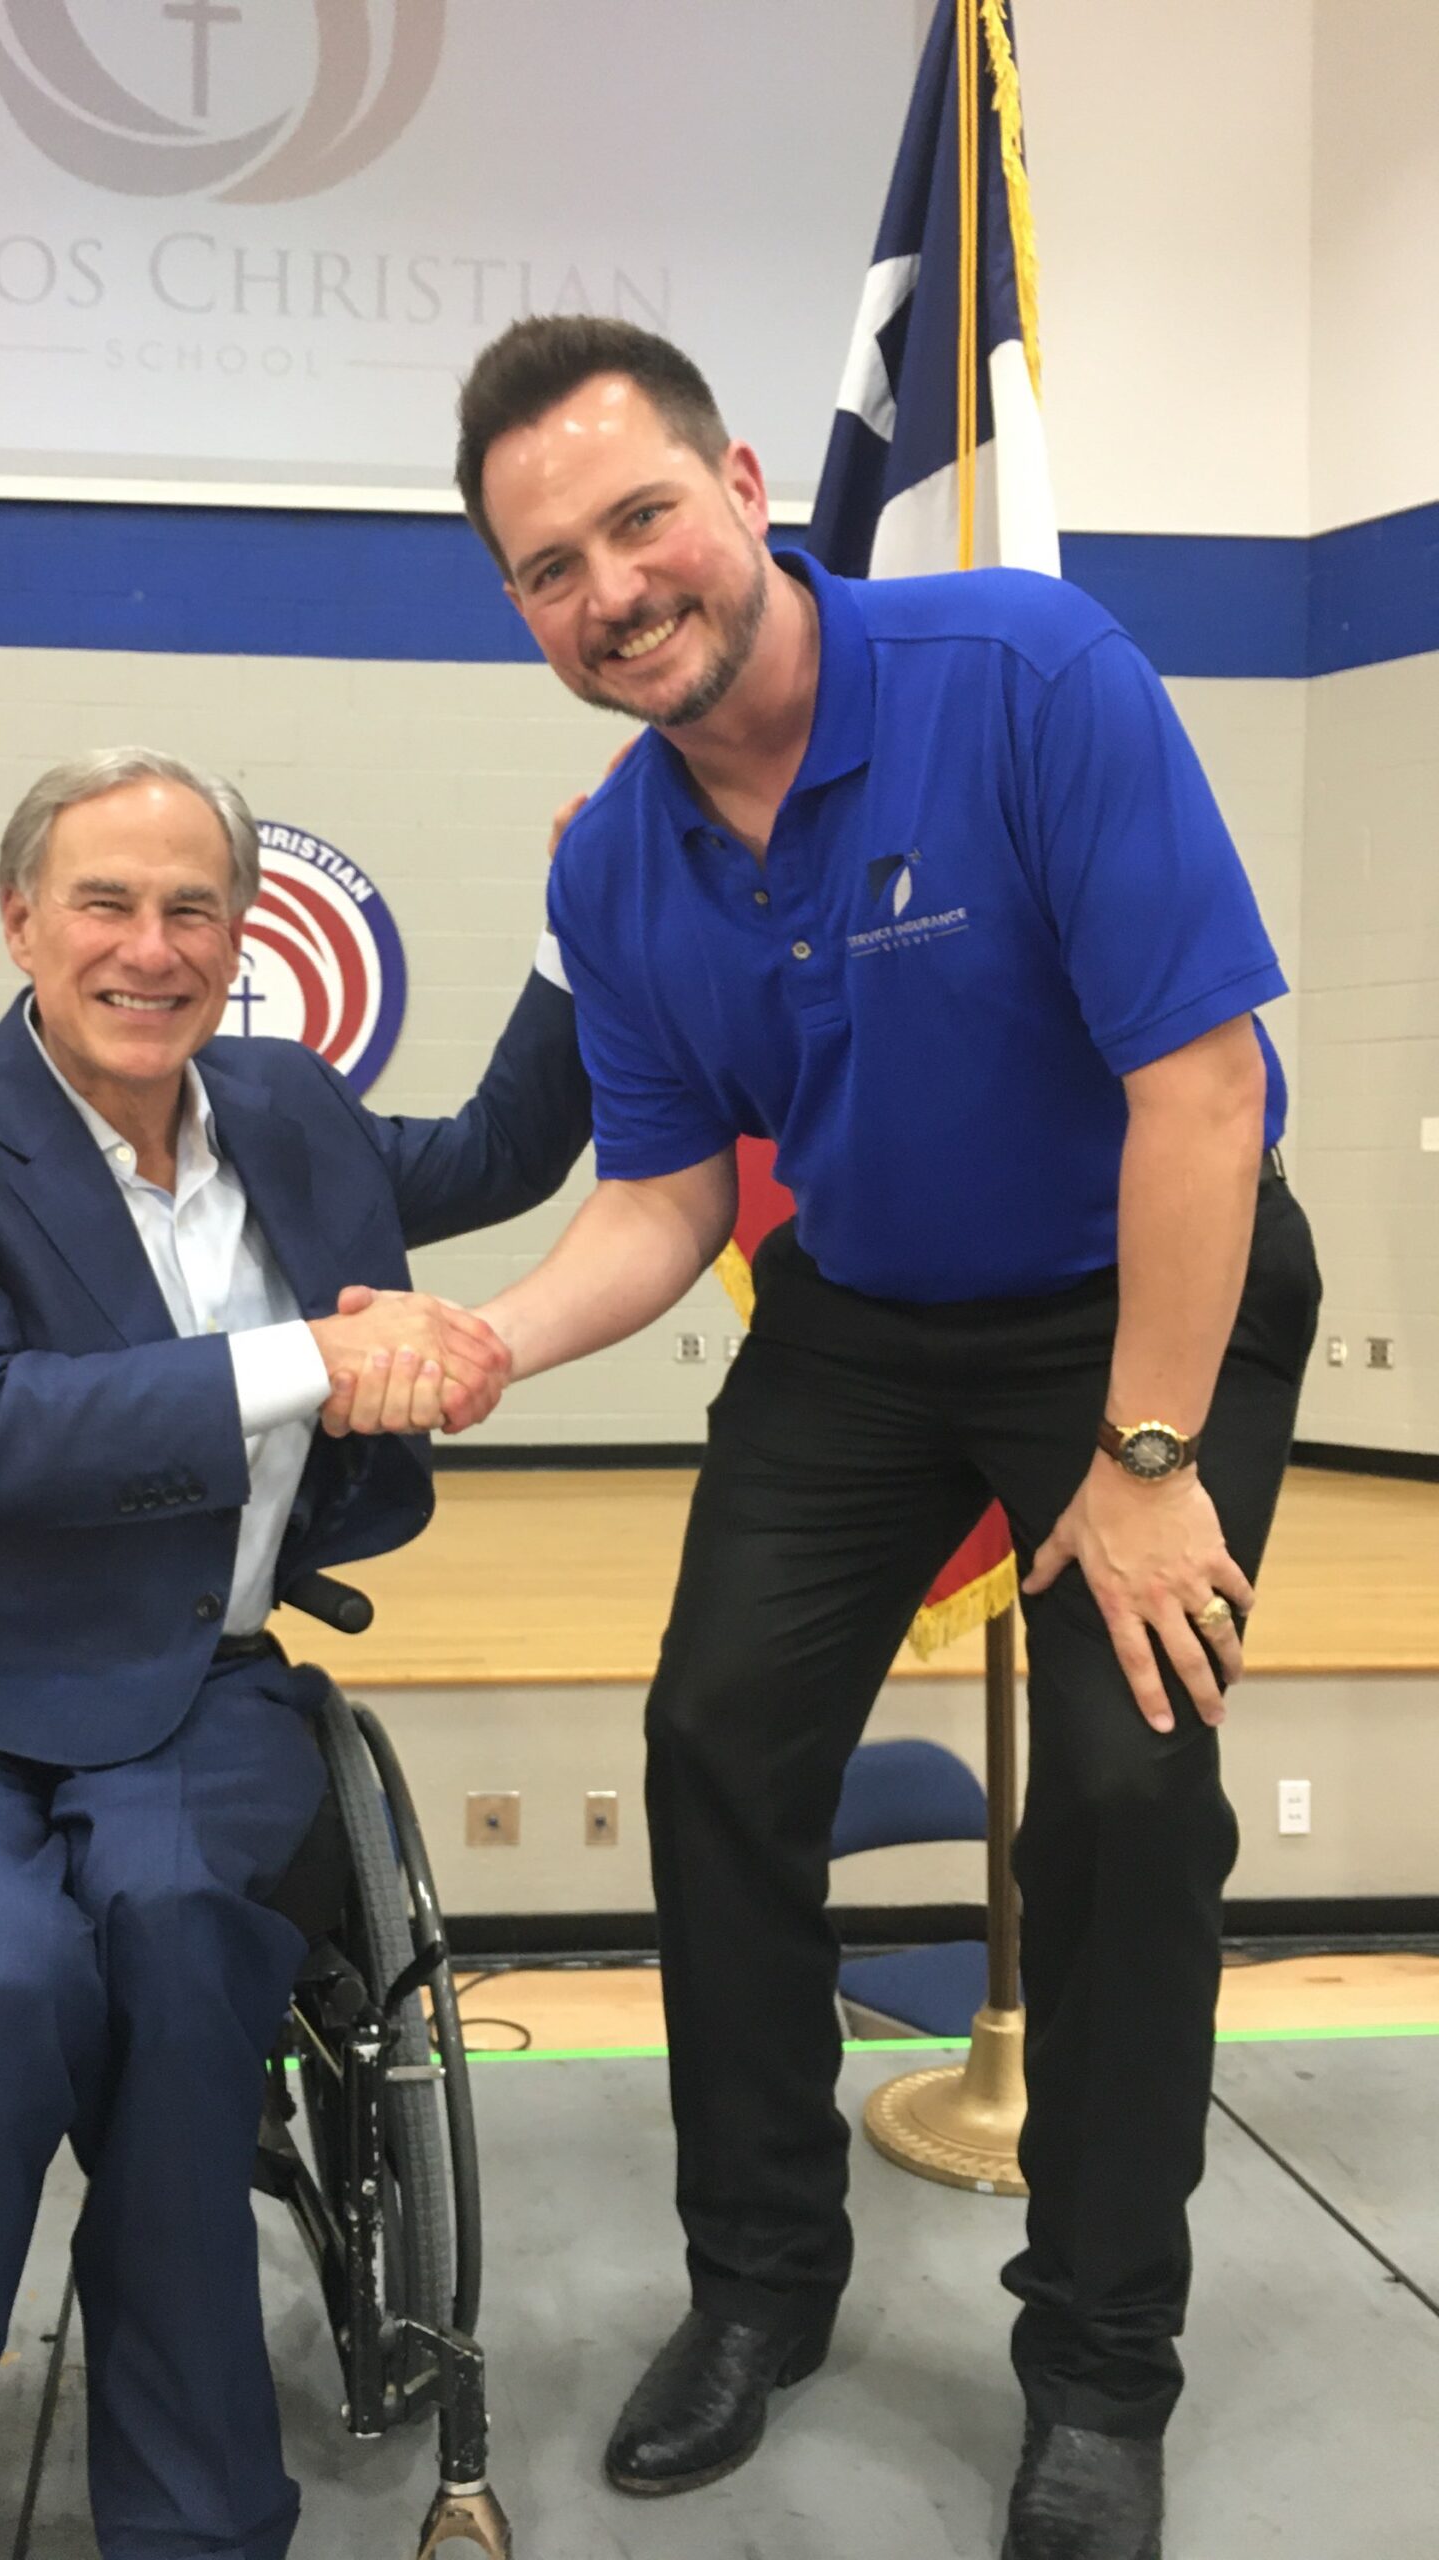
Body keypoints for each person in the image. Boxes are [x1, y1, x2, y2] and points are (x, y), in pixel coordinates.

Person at [408, 315, 1319, 2560]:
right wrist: (496, 1337)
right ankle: (760, 2283)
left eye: (638, 518)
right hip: (866, 1327)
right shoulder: (618, 865)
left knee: (1122, 1794)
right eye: (550, 568)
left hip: (1146, 1295)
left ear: (736, 477)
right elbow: (666, 1195)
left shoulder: (1026, 670)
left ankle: (1100, 2366)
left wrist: (1143, 1453)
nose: (613, 588)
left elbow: (1201, 1091)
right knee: (717, 1734)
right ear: (518, 609)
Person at [0, 744, 591, 2560]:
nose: (152, 947)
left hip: (198, 1698)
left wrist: (580, 918)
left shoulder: (285, 1112)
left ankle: (199, 2522)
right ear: (21, 924)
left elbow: (500, 1152)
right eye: (106, 905)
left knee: (175, 1948)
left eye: (192, 909)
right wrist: (311, 1360)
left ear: (241, 933)